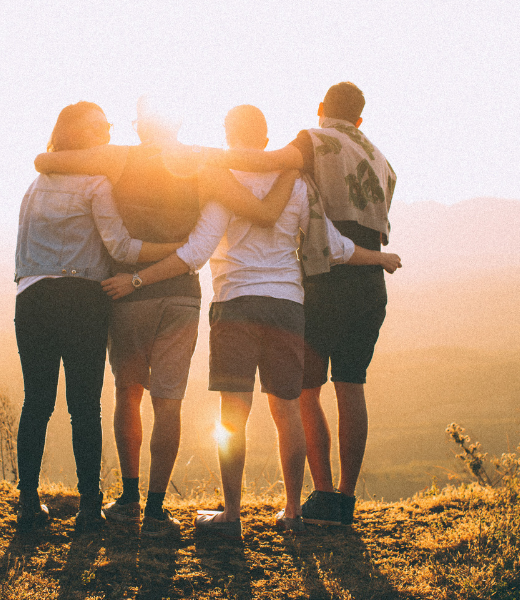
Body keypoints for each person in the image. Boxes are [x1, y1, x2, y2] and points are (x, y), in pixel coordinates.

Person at [102, 105, 400, 539]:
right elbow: (333, 246)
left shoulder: (222, 181)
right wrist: (380, 258)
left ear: (227, 135)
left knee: (233, 416)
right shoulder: (297, 183)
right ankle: (293, 511)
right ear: (265, 140)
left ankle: (232, 515)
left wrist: (137, 278)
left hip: (235, 304)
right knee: (287, 411)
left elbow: (196, 252)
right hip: (287, 307)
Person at [33, 96, 295, 537]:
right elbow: (262, 212)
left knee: (128, 392)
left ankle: (128, 497)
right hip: (181, 295)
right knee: (168, 401)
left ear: (139, 127)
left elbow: (46, 161)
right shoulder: (203, 164)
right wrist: (292, 167)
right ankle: (156, 509)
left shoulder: (117, 159)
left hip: (127, 292)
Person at [209, 83, 398, 526]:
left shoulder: (313, 141)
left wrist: (202, 158)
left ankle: (321, 495)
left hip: (324, 277)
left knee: (304, 393)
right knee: (352, 386)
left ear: (320, 110)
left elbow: (268, 162)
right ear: (361, 119)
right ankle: (344, 502)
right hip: (368, 280)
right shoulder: (382, 160)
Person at [13, 101, 184, 533]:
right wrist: (177, 251)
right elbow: (122, 250)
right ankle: (90, 506)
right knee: (84, 407)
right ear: (80, 135)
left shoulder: (35, 185)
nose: (108, 131)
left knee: (36, 403)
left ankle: (28, 504)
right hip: (82, 299)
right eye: (100, 126)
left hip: (31, 297)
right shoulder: (95, 183)